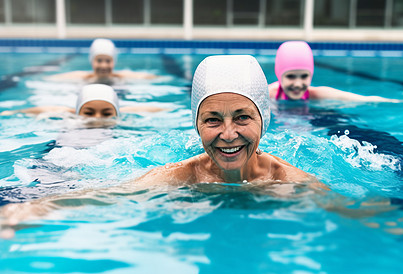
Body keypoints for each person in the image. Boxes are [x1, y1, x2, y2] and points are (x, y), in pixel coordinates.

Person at [131, 55, 327, 188]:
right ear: (197, 125)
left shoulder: (292, 183)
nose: (228, 134)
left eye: (242, 117)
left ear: (263, 120)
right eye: (213, 120)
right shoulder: (178, 177)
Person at [269, 41, 402, 102]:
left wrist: (394, 102)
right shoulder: (267, 95)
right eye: (291, 76)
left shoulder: (316, 94)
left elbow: (362, 99)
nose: (298, 84)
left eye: (304, 76)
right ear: (279, 75)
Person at [0, 84, 164, 118]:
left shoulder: (121, 117)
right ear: (77, 111)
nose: (97, 118)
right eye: (89, 112)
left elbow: (149, 109)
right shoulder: (71, 117)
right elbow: (46, 108)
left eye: (106, 113)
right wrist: (15, 112)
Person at [46, 38, 158, 84]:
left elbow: (153, 78)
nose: (104, 65)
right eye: (99, 60)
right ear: (92, 61)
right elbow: (50, 79)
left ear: (114, 62)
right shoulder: (83, 77)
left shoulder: (121, 76)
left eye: (108, 61)